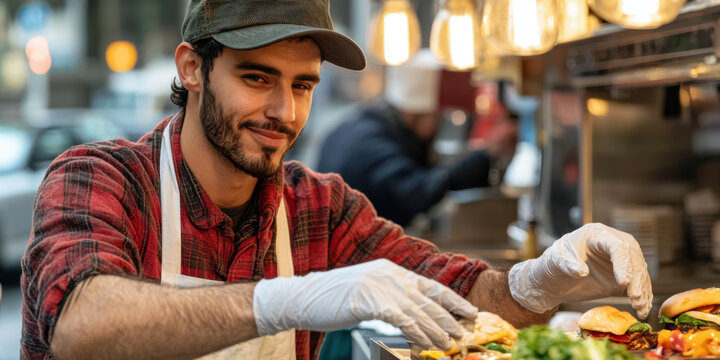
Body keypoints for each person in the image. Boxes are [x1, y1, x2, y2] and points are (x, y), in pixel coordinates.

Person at [21, 1, 651, 359]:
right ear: (193, 66)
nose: (285, 112)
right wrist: (282, 300)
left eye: (303, 85)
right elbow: (82, 327)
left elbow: (464, 297)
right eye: (257, 77)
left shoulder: (320, 205)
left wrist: (544, 280)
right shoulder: (98, 178)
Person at [317, 49, 517, 226]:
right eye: (437, 116)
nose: (438, 125)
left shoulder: (363, 125)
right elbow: (416, 191)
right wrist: (484, 155)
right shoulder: (371, 143)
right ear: (417, 113)